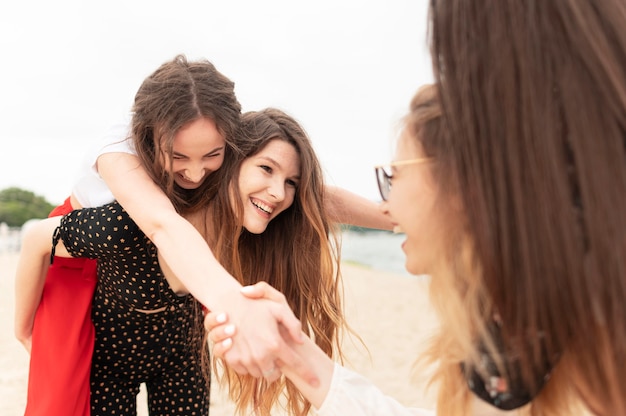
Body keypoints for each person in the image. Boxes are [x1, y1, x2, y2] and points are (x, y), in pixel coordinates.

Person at [211, 0, 626, 413]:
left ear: (458, 187)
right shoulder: (514, 339)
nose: (386, 207)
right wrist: (295, 354)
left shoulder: (567, 348)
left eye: (393, 175)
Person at [15, 55, 390, 415]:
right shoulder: (124, 202)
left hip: (182, 346)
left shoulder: (236, 182)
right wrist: (23, 328)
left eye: (210, 155)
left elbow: (312, 195)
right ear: (153, 143)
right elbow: (158, 224)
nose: (195, 174)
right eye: (179, 158)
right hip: (109, 352)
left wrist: (395, 217)